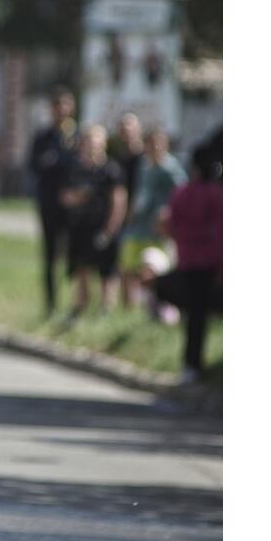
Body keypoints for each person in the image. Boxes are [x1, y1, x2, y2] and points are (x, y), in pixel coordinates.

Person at [152, 143, 223, 384]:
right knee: (200, 315)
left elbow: (168, 225)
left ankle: (191, 366)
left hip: (189, 262)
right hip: (211, 265)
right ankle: (195, 366)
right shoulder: (216, 195)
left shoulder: (182, 192)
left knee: (194, 317)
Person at [60, 124, 128, 322]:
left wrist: (110, 230)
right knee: (80, 267)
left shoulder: (111, 170)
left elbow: (119, 201)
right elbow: (64, 196)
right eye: (88, 142)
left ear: (103, 144)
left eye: (96, 142)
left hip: (102, 226)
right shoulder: (75, 168)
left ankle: (106, 309)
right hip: (80, 226)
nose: (91, 146)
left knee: (107, 270)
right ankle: (80, 307)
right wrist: (78, 197)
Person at [118, 128, 186, 312]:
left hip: (156, 231)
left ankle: (158, 311)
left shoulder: (171, 168)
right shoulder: (144, 166)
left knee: (153, 270)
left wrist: (167, 213)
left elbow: (181, 195)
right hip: (138, 226)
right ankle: (130, 310)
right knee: (128, 269)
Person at [28, 86, 78, 316]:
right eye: (58, 106)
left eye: (66, 105)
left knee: (75, 254)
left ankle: (77, 302)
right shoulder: (43, 137)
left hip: (73, 205)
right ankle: (51, 304)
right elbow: (35, 166)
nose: (62, 110)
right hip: (49, 203)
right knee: (50, 256)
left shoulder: (76, 137)